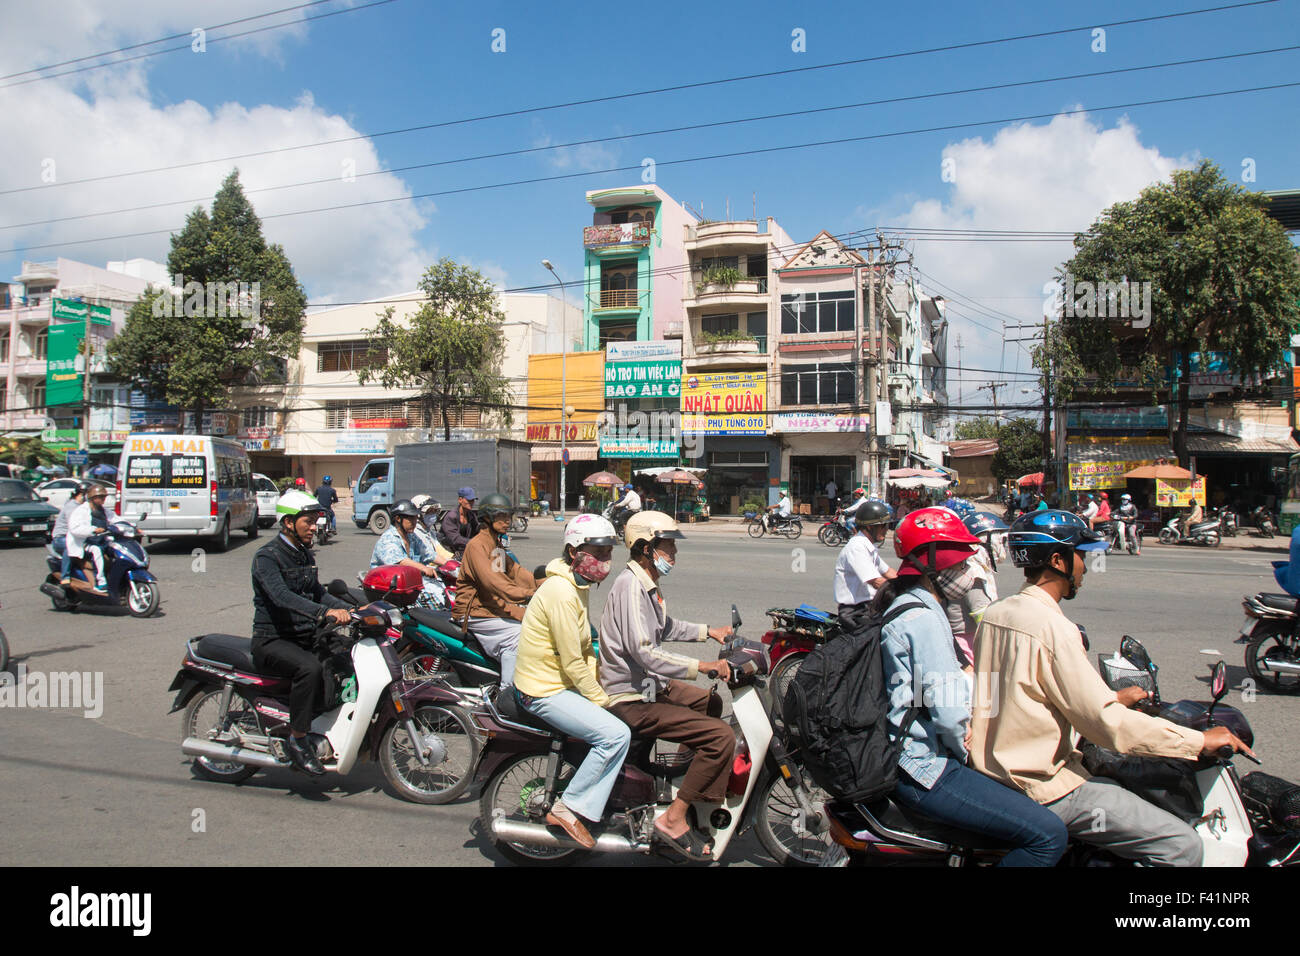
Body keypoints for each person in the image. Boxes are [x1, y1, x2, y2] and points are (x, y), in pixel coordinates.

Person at [969, 510, 1254, 865]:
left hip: (994, 777)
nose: (1085, 568)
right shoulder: (1053, 628)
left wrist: (1113, 698)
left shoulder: (998, 613)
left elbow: (1027, 690)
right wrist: (1198, 741)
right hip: (1044, 788)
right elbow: (1105, 725)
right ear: (1058, 560)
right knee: (1182, 846)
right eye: (1082, 556)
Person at [877, 507, 1069, 866]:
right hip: (923, 765)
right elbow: (950, 717)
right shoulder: (923, 617)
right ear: (932, 563)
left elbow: (928, 689)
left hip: (913, 757)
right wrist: (971, 749)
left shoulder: (910, 605)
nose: (967, 572)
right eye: (960, 563)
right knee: (1048, 835)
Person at [599, 512, 735, 860]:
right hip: (632, 697)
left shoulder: (647, 582)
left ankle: (688, 788)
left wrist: (710, 631)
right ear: (646, 548)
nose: (673, 552)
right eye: (668, 545)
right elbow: (645, 652)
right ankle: (674, 818)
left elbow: (665, 626)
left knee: (710, 705)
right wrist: (702, 665)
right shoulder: (631, 587)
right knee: (720, 738)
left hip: (650, 686)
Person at [513, 513, 631, 849]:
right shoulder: (561, 592)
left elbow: (585, 646)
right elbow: (573, 662)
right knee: (616, 735)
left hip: (557, 683)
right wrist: (603, 700)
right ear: (573, 552)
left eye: (608, 552)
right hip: (542, 690)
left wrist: (602, 679)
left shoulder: (575, 585)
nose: (604, 561)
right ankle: (569, 807)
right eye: (597, 552)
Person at [251, 490, 353, 775]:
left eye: (315, 521)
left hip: (304, 635)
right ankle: (297, 740)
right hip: (273, 639)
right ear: (287, 523)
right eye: (307, 521)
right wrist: (324, 614)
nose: (314, 527)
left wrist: (353, 610)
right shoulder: (267, 557)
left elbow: (317, 592)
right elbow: (282, 597)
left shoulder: (304, 553)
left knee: (347, 656)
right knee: (308, 668)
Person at [454, 493, 537, 685]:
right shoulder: (477, 546)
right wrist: (527, 595)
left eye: (509, 516)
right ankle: (507, 693)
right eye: (502, 516)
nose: (508, 521)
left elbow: (515, 572)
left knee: (536, 623)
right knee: (519, 637)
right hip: (474, 612)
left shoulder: (495, 544)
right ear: (487, 517)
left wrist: (546, 584)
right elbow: (494, 582)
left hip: (492, 607)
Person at [832, 498, 897, 632]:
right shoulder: (857, 547)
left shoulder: (869, 547)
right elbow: (876, 581)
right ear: (869, 527)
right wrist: (900, 592)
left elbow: (888, 572)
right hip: (855, 613)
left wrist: (912, 584)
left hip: (867, 608)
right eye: (882, 526)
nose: (886, 530)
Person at [371, 499, 449, 604]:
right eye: (410, 518)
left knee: (443, 593)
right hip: (389, 588)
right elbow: (400, 561)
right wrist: (423, 568)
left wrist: (451, 565)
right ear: (398, 519)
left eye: (416, 518)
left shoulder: (412, 536)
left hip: (410, 583)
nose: (414, 522)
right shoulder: (388, 539)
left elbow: (429, 554)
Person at [66, 483, 112, 594]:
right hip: (84, 543)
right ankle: (99, 582)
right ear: (92, 498)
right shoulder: (81, 511)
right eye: (100, 497)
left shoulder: (104, 510)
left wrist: (132, 527)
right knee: (96, 550)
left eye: (104, 497)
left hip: (101, 540)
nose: (103, 499)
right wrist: (93, 530)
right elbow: (75, 528)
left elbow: (115, 519)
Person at [52, 481, 89, 585]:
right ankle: (65, 577)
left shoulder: (84, 507)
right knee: (70, 546)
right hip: (61, 538)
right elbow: (74, 526)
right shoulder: (72, 506)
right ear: (82, 495)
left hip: (76, 536)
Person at [440, 486, 480, 556]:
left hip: (463, 549)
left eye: (473, 500)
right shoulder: (451, 517)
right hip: (449, 551)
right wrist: (473, 542)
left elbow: (477, 531)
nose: (472, 503)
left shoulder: (471, 515)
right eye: (469, 500)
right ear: (460, 500)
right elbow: (454, 538)